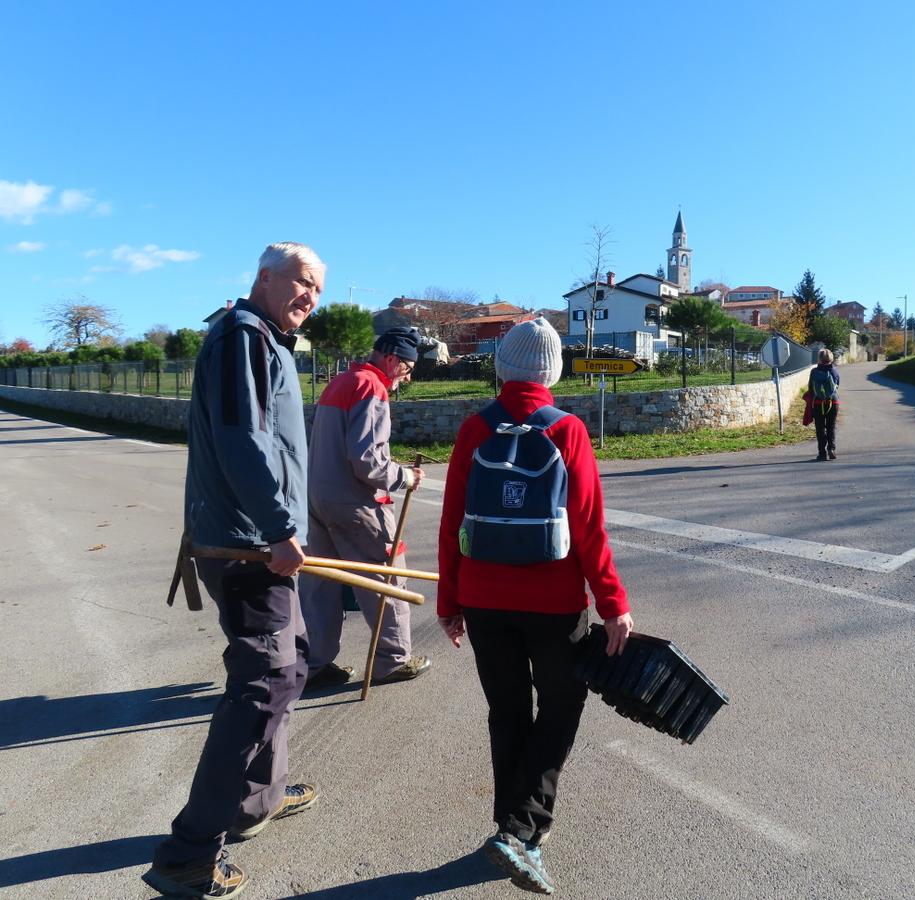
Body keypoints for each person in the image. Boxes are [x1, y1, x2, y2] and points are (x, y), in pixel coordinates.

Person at [144, 242, 325, 898]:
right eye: (302, 282)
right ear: (265, 277)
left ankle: (255, 798)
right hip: (250, 546)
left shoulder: (261, 338)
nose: (310, 297)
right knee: (264, 683)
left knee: (290, 665)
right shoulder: (244, 337)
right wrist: (278, 529)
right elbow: (242, 439)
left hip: (260, 542)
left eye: (318, 289)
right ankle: (189, 854)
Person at [437, 317, 633, 895]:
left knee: (507, 712)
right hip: (554, 603)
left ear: (502, 368)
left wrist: (450, 601)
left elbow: (451, 523)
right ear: (552, 372)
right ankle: (522, 831)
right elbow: (589, 527)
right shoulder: (567, 430)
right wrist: (613, 603)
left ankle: (511, 829)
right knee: (561, 709)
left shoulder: (474, 429)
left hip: (483, 600)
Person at [300, 328, 432, 692]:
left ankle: (314, 664)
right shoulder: (372, 387)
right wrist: (405, 476)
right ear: (391, 359)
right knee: (385, 577)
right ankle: (393, 660)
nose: (407, 377)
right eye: (407, 369)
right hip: (354, 503)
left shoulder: (340, 382)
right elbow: (367, 461)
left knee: (320, 583)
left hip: (317, 498)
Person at [810, 347, 841, 460]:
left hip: (818, 402)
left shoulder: (814, 372)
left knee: (820, 428)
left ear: (819, 359)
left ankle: (822, 453)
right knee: (831, 427)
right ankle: (831, 449)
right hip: (833, 402)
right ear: (831, 359)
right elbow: (836, 387)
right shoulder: (834, 371)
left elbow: (810, 389)